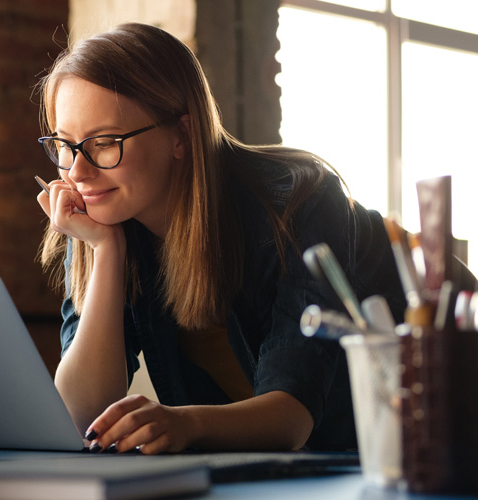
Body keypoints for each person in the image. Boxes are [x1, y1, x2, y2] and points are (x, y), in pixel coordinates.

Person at [34, 22, 408, 454]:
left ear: (182, 135)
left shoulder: (299, 200)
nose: (77, 173)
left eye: (103, 142)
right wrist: (106, 250)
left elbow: (292, 418)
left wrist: (185, 423)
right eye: (64, 145)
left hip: (432, 425)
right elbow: (83, 413)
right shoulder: (99, 216)